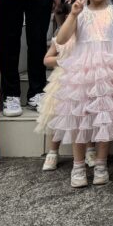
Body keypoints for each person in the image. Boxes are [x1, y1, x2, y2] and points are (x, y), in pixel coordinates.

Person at [48, 0, 113, 188]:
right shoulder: (79, 13)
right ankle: (78, 166)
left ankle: (100, 165)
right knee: (80, 121)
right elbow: (61, 39)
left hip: (107, 72)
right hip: (82, 74)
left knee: (104, 119)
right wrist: (73, 14)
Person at [35, 37, 70, 172]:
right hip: (61, 80)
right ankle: (53, 151)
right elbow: (47, 60)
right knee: (56, 114)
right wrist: (65, 59)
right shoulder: (62, 38)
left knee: (85, 114)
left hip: (83, 79)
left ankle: (90, 149)